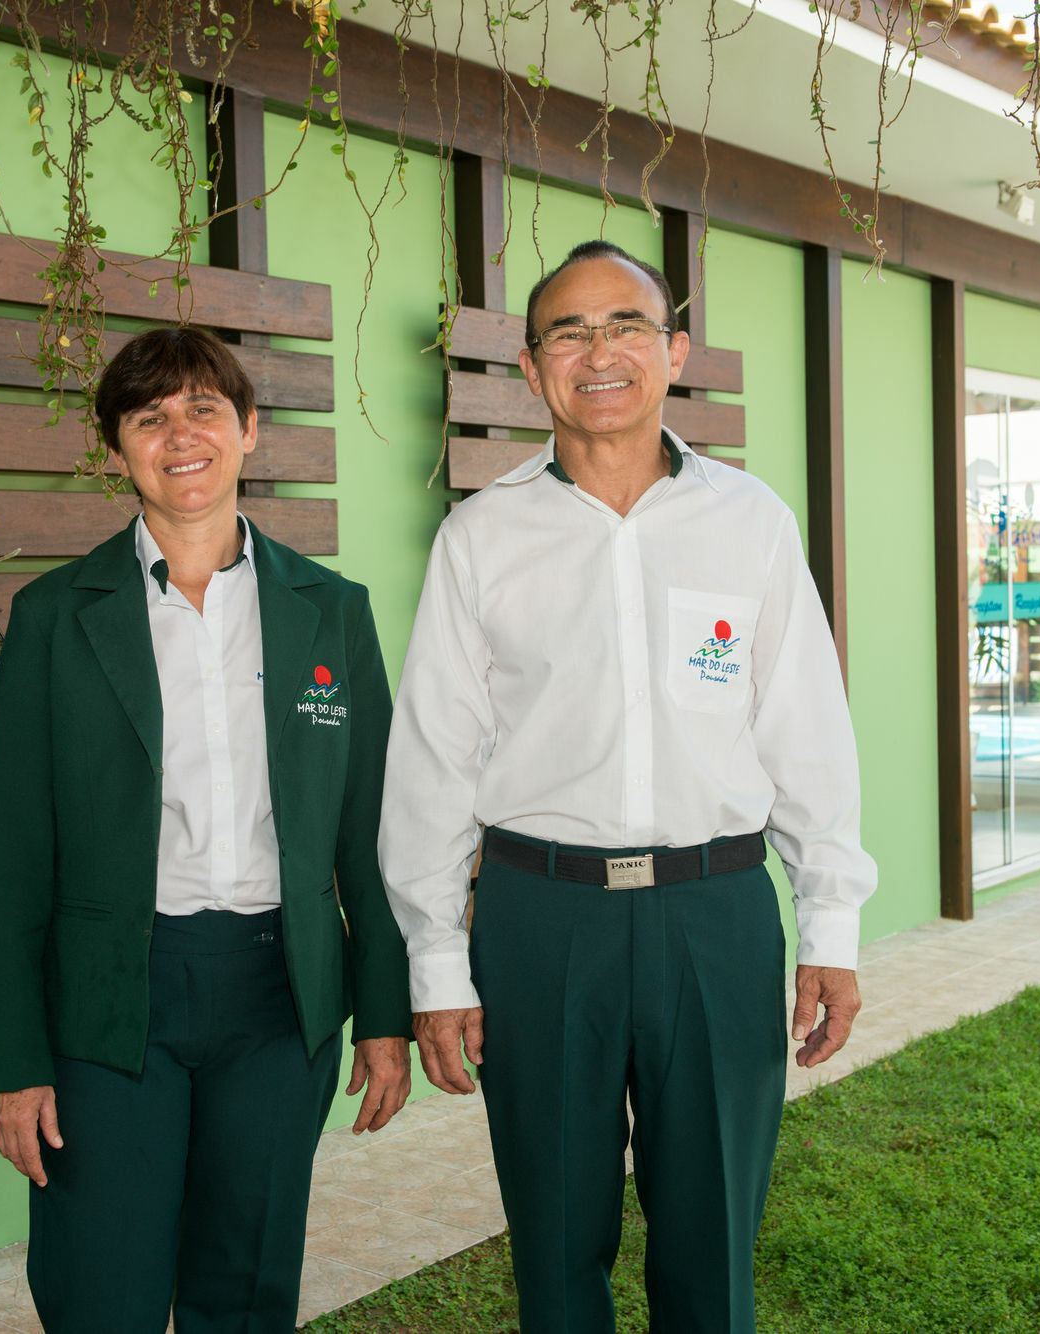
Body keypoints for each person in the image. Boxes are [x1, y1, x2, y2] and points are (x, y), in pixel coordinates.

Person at [379, 240, 880, 1334]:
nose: (597, 351)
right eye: (566, 331)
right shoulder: (480, 537)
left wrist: (829, 922)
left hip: (715, 912)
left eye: (625, 326)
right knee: (556, 1247)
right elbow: (432, 756)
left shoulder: (749, 521)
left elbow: (804, 731)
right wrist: (434, 958)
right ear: (529, 368)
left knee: (710, 1242)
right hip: (538, 917)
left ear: (673, 351)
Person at [0, 325, 413, 1334]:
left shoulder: (329, 611)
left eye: (204, 409)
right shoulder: (54, 615)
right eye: (149, 417)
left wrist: (382, 1012)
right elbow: (17, 854)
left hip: (278, 992)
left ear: (250, 430)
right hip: (108, 996)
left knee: (245, 1282)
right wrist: (11, 1055)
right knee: (100, 1287)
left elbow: (369, 831)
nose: (181, 435)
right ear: (117, 449)